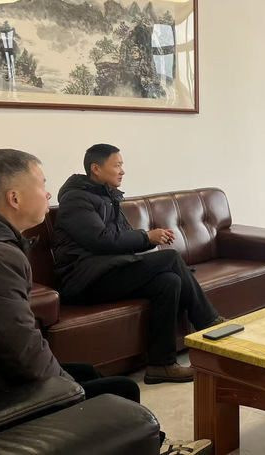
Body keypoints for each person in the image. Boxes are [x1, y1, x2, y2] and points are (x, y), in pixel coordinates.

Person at [0, 149, 210, 455]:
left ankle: (161, 370)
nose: (48, 194)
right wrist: (68, 388)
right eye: (42, 185)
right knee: (122, 388)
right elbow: (22, 351)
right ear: (14, 198)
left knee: (167, 282)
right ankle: (210, 329)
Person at [53, 144, 224, 385]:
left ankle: (161, 365)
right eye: (117, 165)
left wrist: (151, 238)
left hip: (107, 271)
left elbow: (121, 240)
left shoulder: (107, 197)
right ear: (96, 168)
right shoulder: (76, 199)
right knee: (170, 258)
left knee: (169, 281)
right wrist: (147, 237)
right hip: (84, 280)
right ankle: (209, 323)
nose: (122, 171)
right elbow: (100, 240)